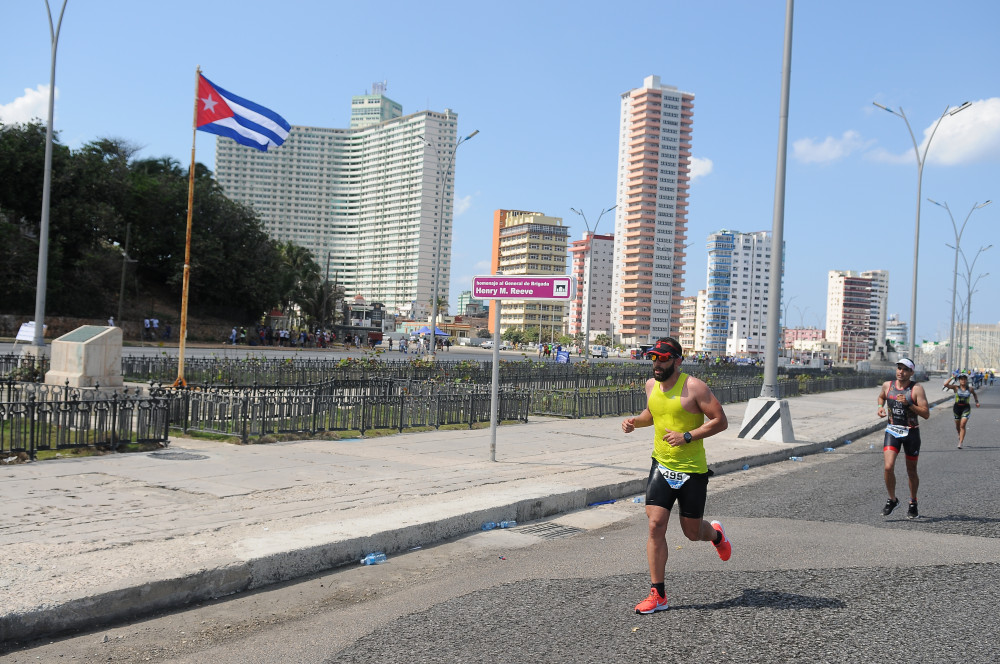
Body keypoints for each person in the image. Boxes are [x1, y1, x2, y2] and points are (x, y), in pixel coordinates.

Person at [621, 337, 730, 614]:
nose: (657, 364)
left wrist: (687, 436)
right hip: (661, 465)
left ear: (677, 361)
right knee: (655, 524)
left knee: (692, 533)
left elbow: (720, 420)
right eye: (653, 358)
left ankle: (716, 535)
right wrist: (635, 422)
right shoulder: (651, 385)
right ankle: (658, 594)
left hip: (691, 470)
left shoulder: (694, 387)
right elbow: (652, 414)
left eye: (663, 358)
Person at [876, 358, 930, 519]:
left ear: (911, 372)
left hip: (911, 433)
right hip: (892, 430)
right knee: (888, 467)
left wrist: (909, 404)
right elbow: (881, 397)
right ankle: (892, 500)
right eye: (899, 368)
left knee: (911, 471)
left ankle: (913, 502)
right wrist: (880, 407)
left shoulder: (917, 389)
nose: (901, 372)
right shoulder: (887, 385)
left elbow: (926, 414)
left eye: (905, 369)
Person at [943, 373, 979, 449]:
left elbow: (974, 394)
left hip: (966, 408)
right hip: (957, 408)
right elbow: (945, 384)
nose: (963, 381)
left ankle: (960, 442)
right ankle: (959, 434)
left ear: (966, 380)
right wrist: (952, 377)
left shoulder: (970, 389)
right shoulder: (956, 388)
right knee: (957, 426)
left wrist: (976, 402)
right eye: (961, 379)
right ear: (959, 380)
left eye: (964, 379)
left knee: (962, 425)